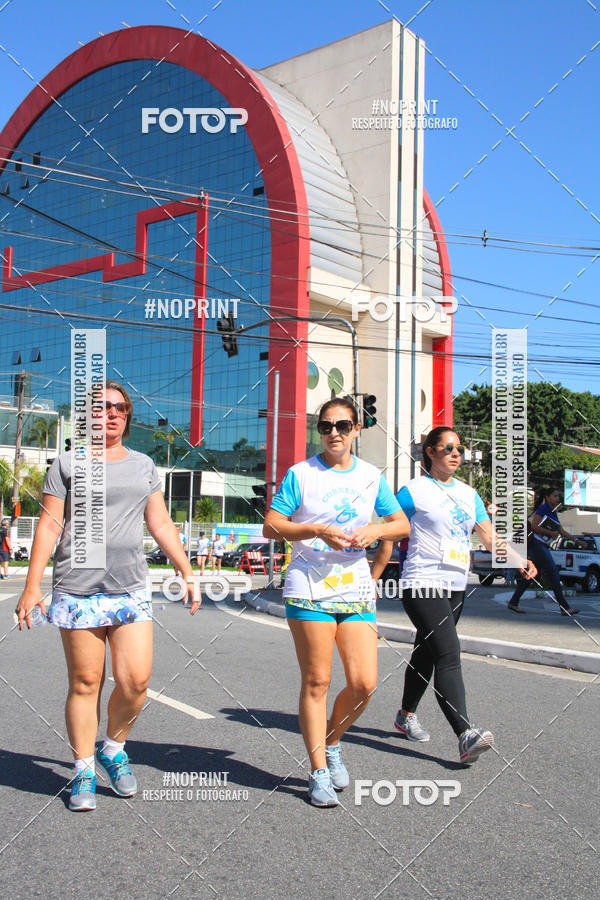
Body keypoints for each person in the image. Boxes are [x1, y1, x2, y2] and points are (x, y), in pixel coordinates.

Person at [15, 380, 201, 812]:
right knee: (86, 682)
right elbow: (49, 524)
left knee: (135, 682)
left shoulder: (143, 465)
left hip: (129, 588)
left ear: (127, 416)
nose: (112, 413)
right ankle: (83, 768)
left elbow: (159, 521)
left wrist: (186, 568)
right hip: (77, 588)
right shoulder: (67, 463)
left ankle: (113, 749)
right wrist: (32, 585)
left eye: (120, 407)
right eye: (103, 407)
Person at [264, 398, 410, 806]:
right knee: (317, 681)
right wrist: (316, 530)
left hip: (356, 588)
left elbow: (401, 524)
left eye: (342, 426)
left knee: (364, 683)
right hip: (308, 586)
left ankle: (331, 742)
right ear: (319, 431)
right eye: (326, 426)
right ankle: (318, 772)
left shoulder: (370, 476)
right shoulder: (302, 474)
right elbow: (272, 525)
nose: (334, 433)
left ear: (356, 429)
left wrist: (375, 531)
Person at [372, 426, 536, 765]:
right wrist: (371, 579)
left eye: (459, 448)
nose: (456, 453)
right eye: (447, 448)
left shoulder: (468, 494)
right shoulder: (413, 492)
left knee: (426, 652)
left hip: (456, 585)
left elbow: (488, 538)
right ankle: (465, 733)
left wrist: (519, 560)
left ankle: (405, 715)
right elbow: (390, 532)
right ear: (430, 452)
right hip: (421, 582)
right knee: (448, 652)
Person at [507, 488, 580, 616]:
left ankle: (513, 602)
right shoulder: (543, 508)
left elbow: (561, 531)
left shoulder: (552, 511)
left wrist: (577, 541)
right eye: (555, 496)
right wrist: (550, 533)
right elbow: (534, 526)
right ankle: (564, 608)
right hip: (537, 544)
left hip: (542, 545)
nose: (557, 498)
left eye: (558, 496)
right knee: (553, 573)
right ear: (547, 497)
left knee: (532, 575)